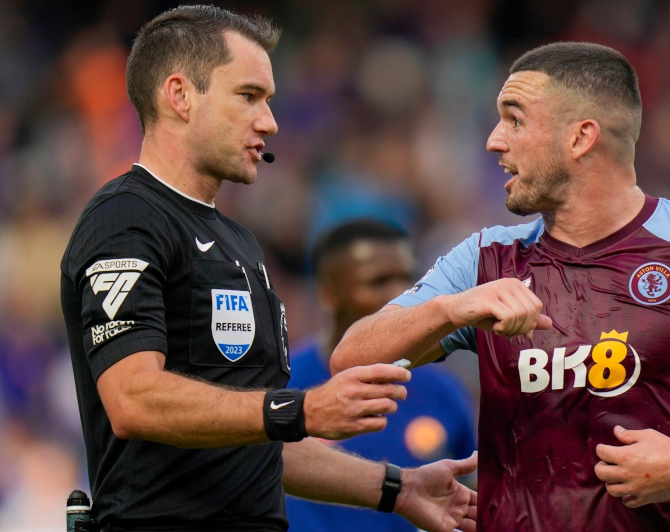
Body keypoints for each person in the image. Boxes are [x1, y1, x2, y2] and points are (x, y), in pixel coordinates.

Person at [330, 42, 670, 531]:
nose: (493, 140)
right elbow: (350, 357)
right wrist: (450, 310)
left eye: (514, 118)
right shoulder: (485, 260)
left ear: (580, 138)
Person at [59, 6, 476, 532]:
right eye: (248, 96)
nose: (270, 122)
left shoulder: (240, 243)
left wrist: (399, 488)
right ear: (180, 96)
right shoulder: (125, 218)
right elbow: (133, 398)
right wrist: (297, 410)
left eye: (269, 101)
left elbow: (256, 443)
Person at [286, 219, 478, 532]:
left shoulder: (444, 391)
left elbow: (470, 496)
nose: (398, 296)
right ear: (329, 292)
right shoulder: (284, 383)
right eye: (378, 282)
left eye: (408, 280)